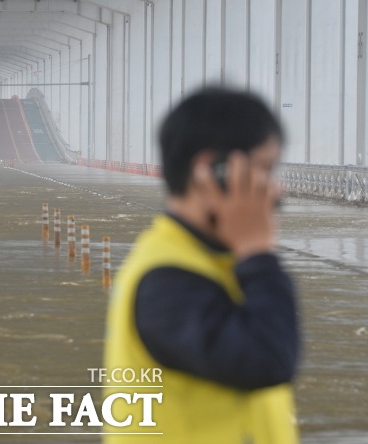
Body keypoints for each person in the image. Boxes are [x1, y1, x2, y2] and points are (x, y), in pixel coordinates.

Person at [103, 87, 300, 443]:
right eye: (266, 169)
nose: (276, 191)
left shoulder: (208, 261)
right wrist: (258, 253)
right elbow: (268, 360)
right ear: (212, 171)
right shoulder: (166, 281)